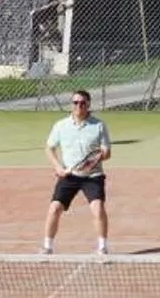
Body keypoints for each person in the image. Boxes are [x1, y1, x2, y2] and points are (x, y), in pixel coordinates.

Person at [42, 89, 112, 255]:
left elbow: (107, 153)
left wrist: (94, 160)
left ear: (88, 105)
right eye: (75, 103)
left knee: (98, 208)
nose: (79, 106)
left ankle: (102, 247)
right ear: (71, 105)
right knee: (54, 209)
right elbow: (49, 148)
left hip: (93, 176)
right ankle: (47, 246)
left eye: (82, 103)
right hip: (69, 176)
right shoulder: (61, 125)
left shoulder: (99, 126)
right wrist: (58, 167)